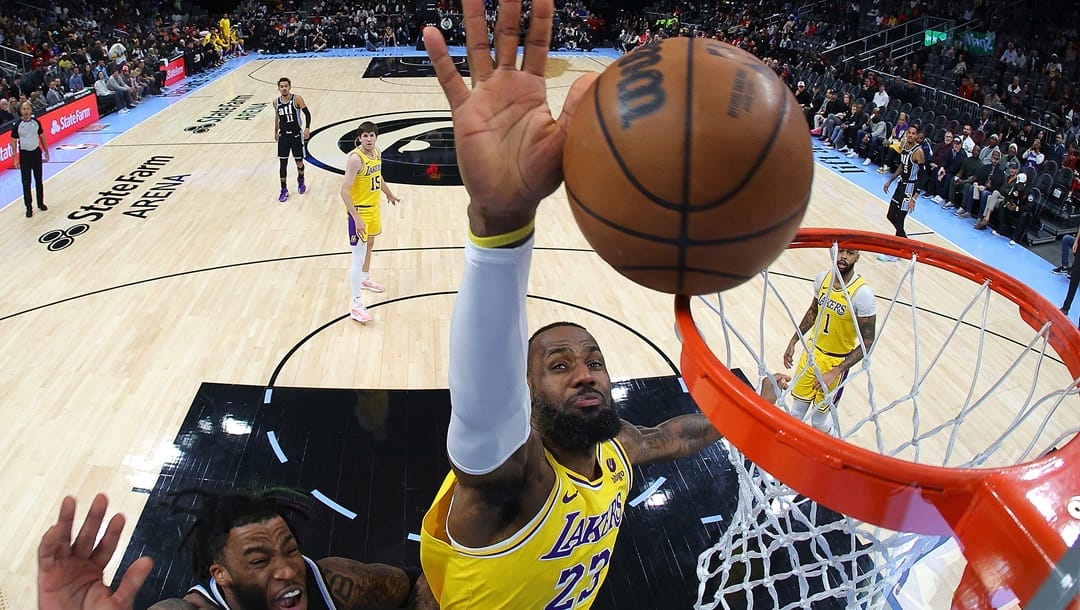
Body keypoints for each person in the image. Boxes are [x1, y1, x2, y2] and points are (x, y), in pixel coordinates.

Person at [415, 2, 743, 606]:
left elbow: (673, 437)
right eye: (559, 365)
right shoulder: (512, 484)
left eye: (592, 360)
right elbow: (485, 415)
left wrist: (745, 416)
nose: (586, 372)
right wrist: (501, 229)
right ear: (528, 392)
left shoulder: (614, 453)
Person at [37, 489, 416, 610]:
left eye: (290, 550)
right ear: (221, 573)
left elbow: (417, 588)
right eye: (260, 560)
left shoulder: (335, 584)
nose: (288, 569)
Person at [783, 249, 877, 433]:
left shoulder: (863, 294)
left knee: (818, 422)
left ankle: (834, 440)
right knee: (795, 413)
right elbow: (813, 311)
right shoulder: (822, 279)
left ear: (857, 257)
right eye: (841, 251)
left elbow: (868, 342)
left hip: (836, 362)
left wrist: (836, 371)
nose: (843, 256)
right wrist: (794, 340)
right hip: (811, 354)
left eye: (850, 253)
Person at [339, 122, 402, 324]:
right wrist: (356, 218)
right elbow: (344, 191)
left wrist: (389, 194)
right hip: (359, 213)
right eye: (365, 136)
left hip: (373, 208)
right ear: (359, 137)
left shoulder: (377, 153)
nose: (369, 139)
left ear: (376, 137)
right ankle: (356, 306)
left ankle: (365, 278)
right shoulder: (356, 159)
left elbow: (377, 176)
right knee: (357, 257)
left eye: (372, 135)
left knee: (370, 245)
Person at [881, 125, 925, 240]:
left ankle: (897, 250)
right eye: (909, 132)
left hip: (910, 188)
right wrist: (890, 180)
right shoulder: (904, 146)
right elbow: (902, 165)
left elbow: (923, 177)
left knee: (900, 219)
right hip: (901, 184)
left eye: (913, 133)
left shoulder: (918, 152)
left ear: (916, 136)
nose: (910, 135)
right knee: (890, 215)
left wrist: (914, 197)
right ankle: (905, 241)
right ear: (906, 133)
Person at [274, 77, 311, 203]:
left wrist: (307, 128)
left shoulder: (297, 99)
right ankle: (283, 189)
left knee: (299, 162)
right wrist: (275, 131)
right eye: (281, 86)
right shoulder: (276, 102)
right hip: (283, 136)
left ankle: (301, 180)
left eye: (286, 86)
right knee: (282, 164)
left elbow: (307, 114)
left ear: (289, 87)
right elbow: (277, 118)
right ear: (278, 88)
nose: (284, 88)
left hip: (296, 135)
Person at [11, 101, 49, 218]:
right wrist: (15, 158)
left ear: (31, 110)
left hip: (36, 154)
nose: (26, 111)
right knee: (26, 183)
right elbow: (13, 141)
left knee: (39, 180)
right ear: (20, 111)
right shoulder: (17, 125)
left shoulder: (36, 122)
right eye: (24, 109)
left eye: (28, 109)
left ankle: (40, 202)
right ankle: (29, 207)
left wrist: (46, 151)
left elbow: (42, 136)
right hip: (25, 156)